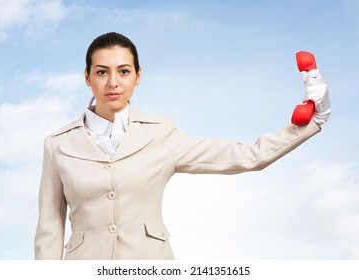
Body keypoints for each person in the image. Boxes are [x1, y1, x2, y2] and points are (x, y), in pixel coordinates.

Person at [34, 32, 330, 260]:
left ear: (138, 76)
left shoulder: (161, 133)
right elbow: (49, 231)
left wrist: (313, 120)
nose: (113, 82)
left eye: (123, 71)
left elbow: (246, 156)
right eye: (101, 72)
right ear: (87, 77)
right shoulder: (58, 144)